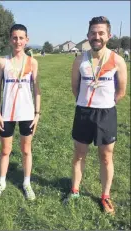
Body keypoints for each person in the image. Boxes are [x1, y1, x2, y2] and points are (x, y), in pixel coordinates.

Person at [70, 16, 127, 214]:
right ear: (88, 36)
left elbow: (121, 91)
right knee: (79, 154)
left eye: (101, 33)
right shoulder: (80, 59)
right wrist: (87, 103)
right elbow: (75, 88)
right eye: (93, 33)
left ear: (108, 36)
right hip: (83, 112)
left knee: (106, 156)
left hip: (106, 114)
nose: (97, 36)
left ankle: (105, 196)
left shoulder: (117, 60)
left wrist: (105, 104)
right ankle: (75, 190)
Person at [0, 24, 41, 201]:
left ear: (27, 40)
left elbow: (36, 89)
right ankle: (2, 182)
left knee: (26, 150)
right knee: (5, 151)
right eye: (14, 37)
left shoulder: (32, 62)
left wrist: (37, 114)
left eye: (21, 38)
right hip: (7, 115)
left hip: (27, 114)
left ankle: (27, 182)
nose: (18, 41)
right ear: (9, 39)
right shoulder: (3, 62)